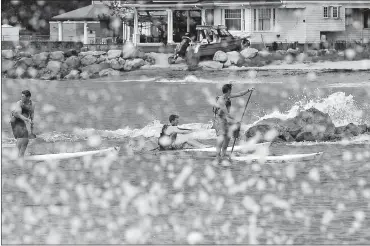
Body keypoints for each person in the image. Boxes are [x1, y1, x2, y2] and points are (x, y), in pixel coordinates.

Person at [213, 83, 254, 160]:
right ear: (228, 91)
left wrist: (248, 90)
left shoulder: (227, 96)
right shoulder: (221, 100)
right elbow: (227, 114)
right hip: (218, 119)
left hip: (223, 118)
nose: (231, 91)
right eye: (230, 90)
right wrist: (237, 120)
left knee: (228, 137)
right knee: (221, 137)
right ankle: (218, 156)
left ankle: (223, 154)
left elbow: (239, 94)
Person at [9, 90, 35, 157]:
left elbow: (32, 117)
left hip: (22, 122)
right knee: (22, 138)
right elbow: (19, 114)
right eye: (21, 96)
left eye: (23, 96)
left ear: (28, 97)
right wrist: (26, 119)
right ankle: (18, 157)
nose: (21, 97)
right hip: (15, 121)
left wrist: (32, 131)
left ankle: (19, 156)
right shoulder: (19, 103)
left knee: (24, 139)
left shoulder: (32, 104)